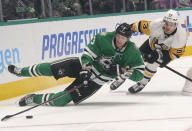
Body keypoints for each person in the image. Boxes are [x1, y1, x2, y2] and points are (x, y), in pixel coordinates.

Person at [8, 23, 145, 107]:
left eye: (124, 38)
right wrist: (86, 68)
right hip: (83, 67)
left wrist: (127, 73)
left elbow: (140, 74)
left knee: (61, 100)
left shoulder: (133, 51)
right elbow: (88, 55)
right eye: (119, 36)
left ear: (128, 39)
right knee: (51, 69)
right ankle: (21, 71)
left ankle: (33, 99)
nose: (120, 40)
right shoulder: (103, 37)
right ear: (115, 34)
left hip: (96, 82)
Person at [110, 9, 187, 93]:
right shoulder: (155, 25)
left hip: (167, 52)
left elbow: (176, 54)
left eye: (171, 24)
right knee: (134, 60)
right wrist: (122, 32)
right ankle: (123, 77)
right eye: (166, 23)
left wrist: (161, 58)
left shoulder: (181, 37)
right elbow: (138, 26)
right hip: (151, 44)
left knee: (153, 63)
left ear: (176, 24)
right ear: (164, 21)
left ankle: (142, 82)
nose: (168, 26)